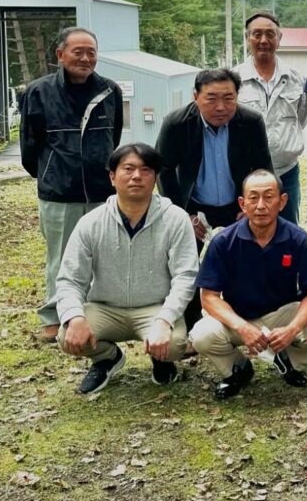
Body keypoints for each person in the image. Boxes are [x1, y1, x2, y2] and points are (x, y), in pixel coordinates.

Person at [55, 144, 199, 394]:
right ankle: (107, 357)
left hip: (155, 308)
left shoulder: (175, 219)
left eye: (145, 170)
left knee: (175, 344)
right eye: (128, 169)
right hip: (106, 308)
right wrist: (75, 316)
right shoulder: (91, 223)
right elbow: (69, 279)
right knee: (67, 335)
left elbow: (185, 276)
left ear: (155, 178)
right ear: (112, 176)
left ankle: (161, 359)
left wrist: (165, 319)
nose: (136, 176)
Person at [190, 169, 307, 400]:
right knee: (201, 334)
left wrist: (292, 329)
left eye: (269, 197)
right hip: (237, 315)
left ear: (282, 202)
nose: (261, 205)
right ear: (242, 203)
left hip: (282, 313)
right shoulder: (223, 242)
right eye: (253, 197)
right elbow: (208, 296)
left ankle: (288, 361)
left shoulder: (298, 239)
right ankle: (237, 369)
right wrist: (241, 327)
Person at [20, 26, 124, 341]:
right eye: (77, 51)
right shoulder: (39, 92)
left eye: (91, 52)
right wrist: (51, 173)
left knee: (102, 255)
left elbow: (114, 136)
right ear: (60, 54)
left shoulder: (110, 90)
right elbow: (29, 147)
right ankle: (54, 317)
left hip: (101, 190)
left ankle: (95, 314)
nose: (85, 58)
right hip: (58, 192)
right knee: (61, 257)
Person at [156, 68, 272, 329]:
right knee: (184, 265)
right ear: (195, 96)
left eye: (229, 98)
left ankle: (243, 321)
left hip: (238, 203)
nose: (221, 107)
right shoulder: (176, 123)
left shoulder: (250, 121)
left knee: (246, 260)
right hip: (194, 203)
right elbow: (163, 170)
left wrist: (252, 207)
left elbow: (263, 167)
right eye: (211, 98)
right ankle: (191, 323)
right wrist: (181, 214)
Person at [234, 11, 307, 225]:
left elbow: (299, 119)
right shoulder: (234, 78)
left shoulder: (295, 78)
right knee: (246, 230)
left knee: (287, 231)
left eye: (270, 34)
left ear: (279, 38)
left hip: (287, 171)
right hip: (246, 173)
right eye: (257, 34)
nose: (264, 40)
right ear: (248, 38)